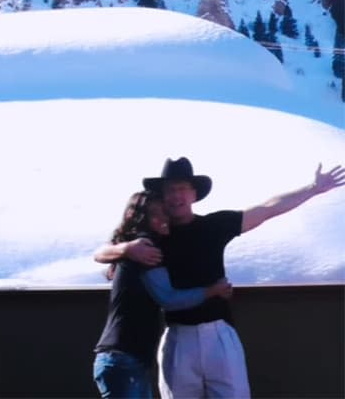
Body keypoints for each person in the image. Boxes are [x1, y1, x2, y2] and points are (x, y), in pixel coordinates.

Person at [112, 157, 345, 398]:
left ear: (194, 194)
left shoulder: (215, 225)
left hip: (219, 334)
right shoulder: (153, 238)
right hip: (178, 336)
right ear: (162, 195)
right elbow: (107, 251)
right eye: (170, 190)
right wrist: (126, 249)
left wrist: (313, 188)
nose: (176, 195)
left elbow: (266, 209)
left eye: (182, 188)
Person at [93, 190, 233, 399]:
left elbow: (100, 253)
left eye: (165, 213)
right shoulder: (146, 248)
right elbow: (169, 299)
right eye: (155, 214)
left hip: (121, 359)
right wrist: (212, 291)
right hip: (124, 359)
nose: (164, 218)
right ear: (141, 219)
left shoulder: (134, 247)